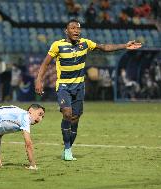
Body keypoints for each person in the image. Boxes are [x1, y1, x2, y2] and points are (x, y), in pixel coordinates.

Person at [35, 19, 142, 161]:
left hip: (79, 86)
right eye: (72, 28)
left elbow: (104, 47)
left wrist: (124, 45)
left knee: (75, 118)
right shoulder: (57, 45)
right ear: (66, 31)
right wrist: (39, 80)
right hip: (63, 86)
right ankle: (67, 149)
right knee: (67, 114)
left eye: (78, 28)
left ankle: (68, 148)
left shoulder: (85, 43)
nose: (76, 31)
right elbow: (45, 64)